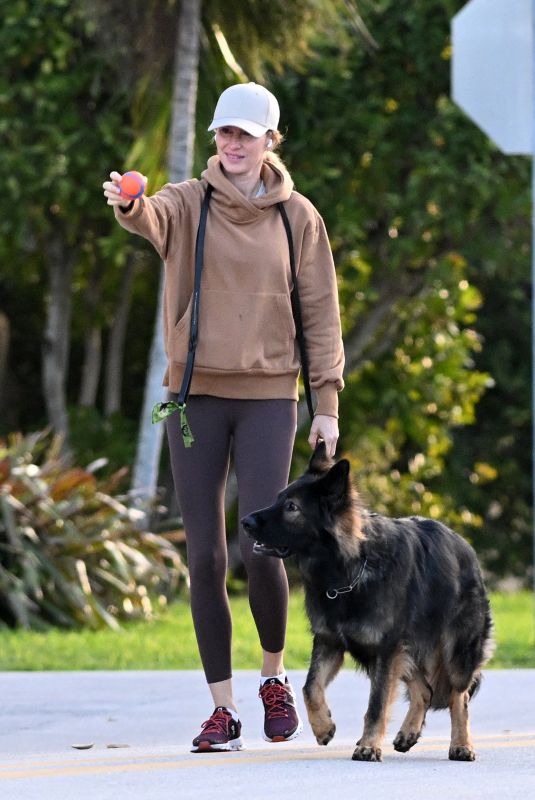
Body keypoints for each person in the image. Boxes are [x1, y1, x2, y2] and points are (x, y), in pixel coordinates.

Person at [103, 82, 344, 753]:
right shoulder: (187, 202)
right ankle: (223, 709)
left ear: (271, 140)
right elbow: (145, 217)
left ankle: (272, 677)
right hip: (194, 399)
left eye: (245, 134)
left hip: (271, 395)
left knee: (261, 544)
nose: (232, 145)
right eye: (223, 134)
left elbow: (322, 315)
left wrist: (325, 405)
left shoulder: (298, 217)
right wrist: (129, 201)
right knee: (204, 556)